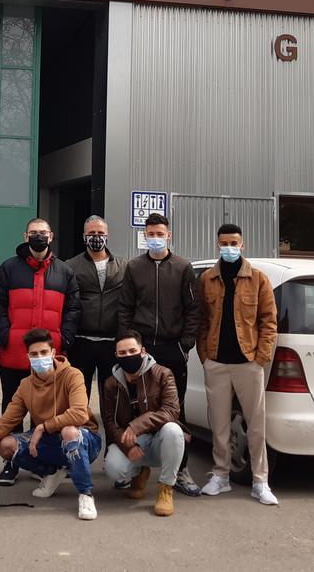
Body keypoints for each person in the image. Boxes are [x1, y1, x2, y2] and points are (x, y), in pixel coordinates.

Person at [0, 329, 100, 521]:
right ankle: (52, 473)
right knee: (5, 445)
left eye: (44, 353)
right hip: (50, 439)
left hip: (85, 439)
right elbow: (6, 422)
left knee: (69, 431)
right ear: (28, 357)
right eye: (34, 354)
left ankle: (86, 494)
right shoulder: (25, 385)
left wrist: (43, 427)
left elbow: (79, 413)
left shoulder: (72, 375)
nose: (40, 358)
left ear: (53, 353)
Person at [0, 218, 80, 486]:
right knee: (12, 410)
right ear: (25, 235)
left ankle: (43, 462)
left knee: (47, 412)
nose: (38, 237)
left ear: (51, 236)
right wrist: (5, 336)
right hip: (14, 353)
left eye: (43, 233)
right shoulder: (8, 269)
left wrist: (63, 340)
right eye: (33, 233)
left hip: (48, 357)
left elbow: (73, 310)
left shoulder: (64, 272)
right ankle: (11, 462)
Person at [119, 212, 202, 496]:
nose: (155, 239)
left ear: (169, 236)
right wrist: (129, 344)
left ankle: (180, 471)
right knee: (138, 407)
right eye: (150, 234)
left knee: (176, 410)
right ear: (145, 236)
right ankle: (138, 470)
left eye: (159, 234)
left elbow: (193, 310)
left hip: (172, 347)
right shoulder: (134, 267)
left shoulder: (183, 268)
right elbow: (125, 308)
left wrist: (185, 344)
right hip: (142, 349)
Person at [197, 223, 279, 505]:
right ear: (217, 245)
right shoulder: (208, 278)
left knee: (256, 425)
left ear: (242, 245)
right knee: (219, 424)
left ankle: (260, 481)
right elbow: (202, 321)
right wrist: (205, 357)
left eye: (233, 243)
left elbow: (269, 321)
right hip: (217, 362)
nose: (228, 248)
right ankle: (220, 476)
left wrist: (260, 358)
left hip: (248, 362)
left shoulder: (258, 279)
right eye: (224, 243)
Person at [101, 330, 187, 517]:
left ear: (142, 351)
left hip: (160, 439)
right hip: (134, 443)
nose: (128, 356)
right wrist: (127, 446)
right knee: (113, 469)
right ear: (116, 355)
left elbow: (172, 411)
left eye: (132, 351)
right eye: (122, 353)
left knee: (173, 430)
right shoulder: (110, 383)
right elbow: (109, 421)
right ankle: (140, 473)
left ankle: (166, 488)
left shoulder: (163, 374)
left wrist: (136, 425)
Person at [65, 214, 127, 399]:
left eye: (100, 232)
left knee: (112, 394)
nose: (96, 236)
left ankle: (112, 428)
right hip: (81, 341)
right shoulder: (71, 265)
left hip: (111, 341)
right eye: (91, 233)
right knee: (78, 393)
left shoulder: (123, 265)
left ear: (107, 235)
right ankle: (79, 427)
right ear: (84, 236)